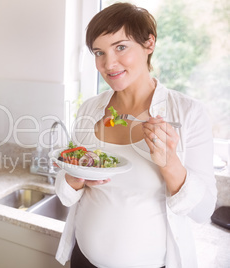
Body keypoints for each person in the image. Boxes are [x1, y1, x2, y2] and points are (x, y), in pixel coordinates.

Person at [54, 3, 217, 268]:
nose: (108, 63)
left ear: (149, 44)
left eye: (120, 47)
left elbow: (203, 212)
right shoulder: (89, 110)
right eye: (99, 52)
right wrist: (74, 177)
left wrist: (170, 164)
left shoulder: (188, 114)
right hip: (83, 260)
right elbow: (66, 194)